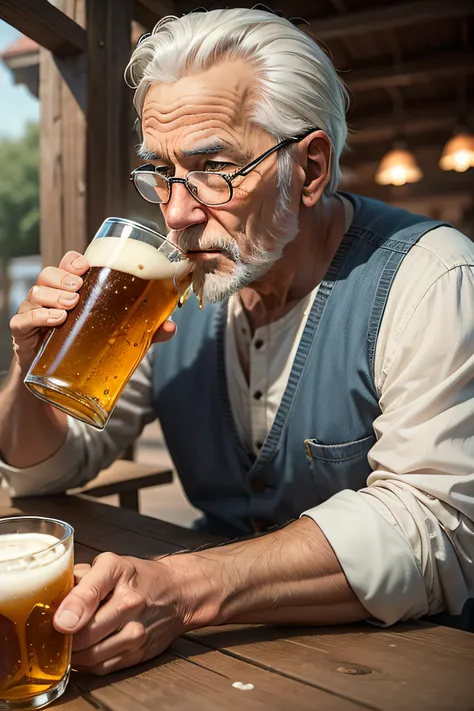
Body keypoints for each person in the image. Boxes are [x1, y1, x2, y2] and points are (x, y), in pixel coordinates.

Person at [1, 7, 473, 675]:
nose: (177, 213)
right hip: (216, 667)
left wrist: (181, 589)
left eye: (213, 167)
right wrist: (30, 374)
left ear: (309, 170)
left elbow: (438, 528)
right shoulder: (173, 287)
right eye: (161, 172)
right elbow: (46, 467)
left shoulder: (433, 275)